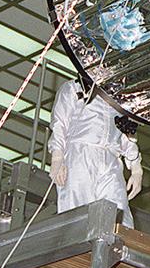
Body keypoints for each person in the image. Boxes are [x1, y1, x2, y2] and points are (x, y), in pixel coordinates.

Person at [48, 79, 143, 227]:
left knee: (119, 213)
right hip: (79, 155)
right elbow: (60, 124)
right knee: (78, 212)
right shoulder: (75, 88)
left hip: (111, 159)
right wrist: (57, 157)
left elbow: (127, 133)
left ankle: (118, 242)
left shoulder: (120, 99)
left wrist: (136, 168)